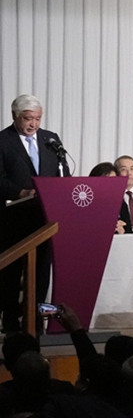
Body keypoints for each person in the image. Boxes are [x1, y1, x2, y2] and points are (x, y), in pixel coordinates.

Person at [0, 94, 69, 332]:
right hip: (13, 218)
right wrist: (21, 192)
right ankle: (10, 322)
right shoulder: (3, 140)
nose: (34, 124)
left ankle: (37, 321)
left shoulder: (51, 139)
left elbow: (63, 172)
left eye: (38, 118)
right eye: (28, 119)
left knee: (42, 269)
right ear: (15, 116)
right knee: (11, 272)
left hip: (45, 219)